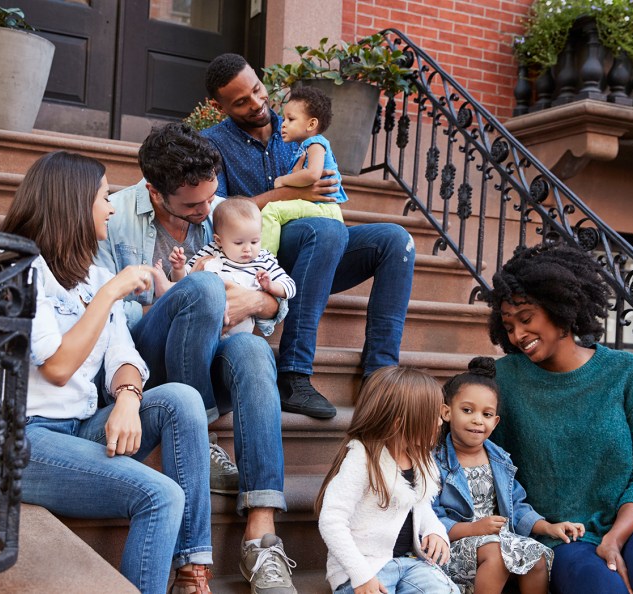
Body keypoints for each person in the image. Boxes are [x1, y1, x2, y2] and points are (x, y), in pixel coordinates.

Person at [96, 123, 298, 594]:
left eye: (211, 198)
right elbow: (106, 309)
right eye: (193, 205)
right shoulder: (115, 214)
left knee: (251, 348)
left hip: (211, 354)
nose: (207, 212)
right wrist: (190, 298)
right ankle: (198, 431)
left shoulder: (220, 213)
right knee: (204, 286)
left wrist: (256, 302)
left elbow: (273, 301)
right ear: (154, 190)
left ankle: (261, 533)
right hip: (146, 354)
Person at [2, 151, 212, 594]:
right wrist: (113, 291)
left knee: (182, 400)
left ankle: (193, 569)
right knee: (161, 495)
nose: (113, 207)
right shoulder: (18, 274)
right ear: (73, 204)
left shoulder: (95, 277)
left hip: (81, 428)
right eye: (103, 197)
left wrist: (130, 399)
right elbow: (57, 367)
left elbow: (124, 355)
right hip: (25, 440)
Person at [204, 53, 415, 420]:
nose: (257, 104)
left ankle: (380, 377)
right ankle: (293, 375)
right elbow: (215, 211)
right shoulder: (213, 143)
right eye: (241, 102)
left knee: (396, 240)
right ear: (217, 105)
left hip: (317, 253)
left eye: (257, 90)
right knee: (328, 230)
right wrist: (284, 194)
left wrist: (326, 183)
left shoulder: (299, 124)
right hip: (259, 259)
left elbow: (322, 179)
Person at [487, 243, 633, 594]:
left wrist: (615, 538)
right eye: (509, 326)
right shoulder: (504, 380)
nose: (517, 335)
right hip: (564, 536)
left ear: (561, 309)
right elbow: (495, 473)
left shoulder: (626, 371)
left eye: (526, 319)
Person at [433, 356, 585, 594]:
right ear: (446, 412)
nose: (477, 420)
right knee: (497, 554)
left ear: (495, 422)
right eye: (467, 410)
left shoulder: (500, 459)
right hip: (452, 546)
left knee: (537, 557)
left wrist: (547, 527)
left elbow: (517, 506)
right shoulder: (436, 462)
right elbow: (431, 518)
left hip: (497, 540)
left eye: (486, 414)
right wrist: (473, 529)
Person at [317, 366, 459, 594]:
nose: (441, 423)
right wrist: (360, 575)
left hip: (409, 562)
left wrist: (435, 531)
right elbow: (331, 520)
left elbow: (421, 507)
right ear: (399, 423)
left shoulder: (419, 459)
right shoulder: (362, 459)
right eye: (433, 416)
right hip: (366, 566)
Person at [158, 198, 296, 336]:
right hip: (204, 321)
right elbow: (183, 281)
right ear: (219, 241)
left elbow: (290, 286)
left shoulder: (264, 259)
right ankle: (165, 289)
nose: (248, 249)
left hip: (238, 329)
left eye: (255, 241)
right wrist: (178, 268)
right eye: (238, 242)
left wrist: (271, 286)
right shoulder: (211, 251)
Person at [262, 85, 347, 255]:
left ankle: (265, 261)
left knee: (271, 211)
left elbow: (313, 174)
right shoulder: (302, 147)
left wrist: (282, 180)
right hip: (320, 207)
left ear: (311, 124)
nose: (283, 124)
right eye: (283, 118)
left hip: (325, 208)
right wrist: (295, 174)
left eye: (290, 119)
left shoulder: (315, 143)